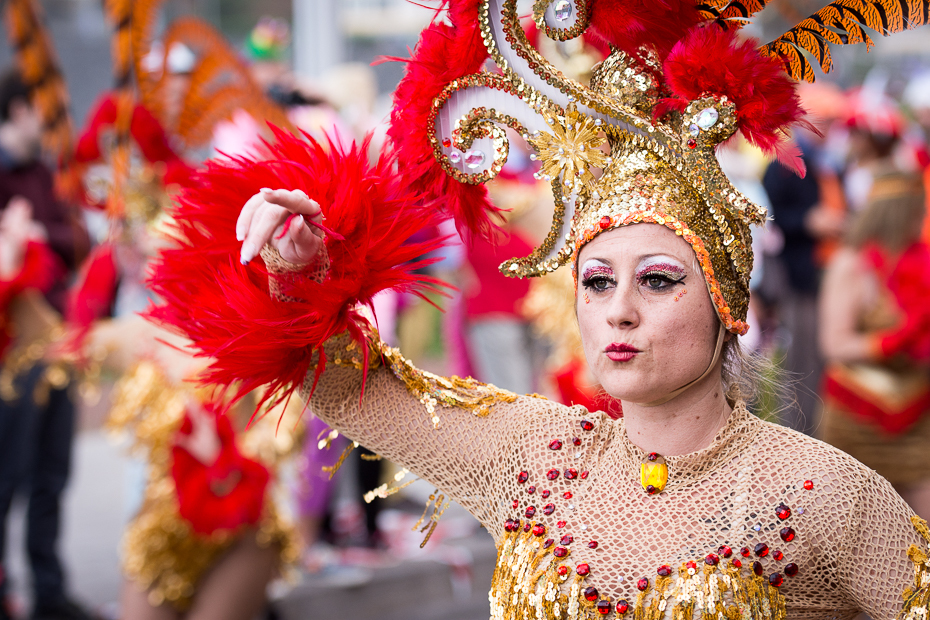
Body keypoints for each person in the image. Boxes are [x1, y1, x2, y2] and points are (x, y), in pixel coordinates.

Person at [148, 2, 930, 618]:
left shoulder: (823, 493)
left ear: (727, 301)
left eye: (657, 281)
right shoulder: (534, 455)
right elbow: (340, 382)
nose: (618, 310)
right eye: (595, 282)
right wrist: (300, 272)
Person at [0, 68, 91, 620]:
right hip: (12, 354)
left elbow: (75, 240)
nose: (53, 119)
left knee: (52, 474)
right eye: (44, 108)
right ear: (17, 110)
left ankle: (49, 594)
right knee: (7, 476)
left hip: (60, 343)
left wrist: (39, 235)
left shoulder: (47, 174)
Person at [819, 171, 930, 520]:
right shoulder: (852, 264)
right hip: (859, 415)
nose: (922, 219)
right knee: (865, 524)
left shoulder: (923, 261)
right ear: (899, 213)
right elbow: (834, 344)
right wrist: (891, 343)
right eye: (917, 212)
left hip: (917, 412)